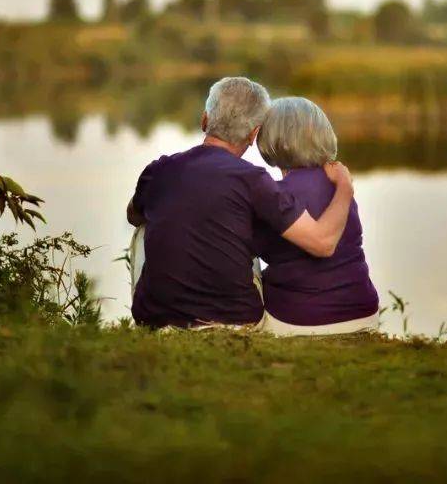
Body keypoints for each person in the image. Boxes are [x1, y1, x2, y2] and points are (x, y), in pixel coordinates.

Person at [126, 77, 355, 329]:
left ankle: (162, 313)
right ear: (253, 134)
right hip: (235, 320)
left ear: (204, 120)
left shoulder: (159, 169)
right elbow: (322, 243)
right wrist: (344, 186)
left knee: (144, 228)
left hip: (155, 319)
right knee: (245, 230)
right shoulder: (254, 180)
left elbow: (133, 215)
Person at [254, 97, 380, 335]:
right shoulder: (339, 187)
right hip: (364, 313)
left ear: (271, 140)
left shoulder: (277, 195)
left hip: (299, 320)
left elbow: (257, 248)